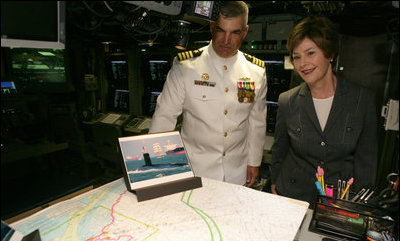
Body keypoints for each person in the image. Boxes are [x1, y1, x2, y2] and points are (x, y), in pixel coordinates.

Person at [149, 1, 267, 187]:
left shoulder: (255, 71)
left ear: (244, 32)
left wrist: (254, 162)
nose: (226, 40)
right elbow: (164, 119)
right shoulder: (186, 67)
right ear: (212, 27)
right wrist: (156, 168)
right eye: (221, 30)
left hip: (237, 171)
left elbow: (256, 121)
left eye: (235, 32)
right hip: (195, 171)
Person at [270, 16, 378, 206]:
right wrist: (275, 183)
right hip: (291, 196)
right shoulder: (287, 101)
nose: (303, 63)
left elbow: (367, 162)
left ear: (329, 54)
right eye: (297, 57)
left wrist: (358, 204)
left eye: (310, 53)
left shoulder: (362, 100)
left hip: (338, 202)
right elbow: (279, 151)